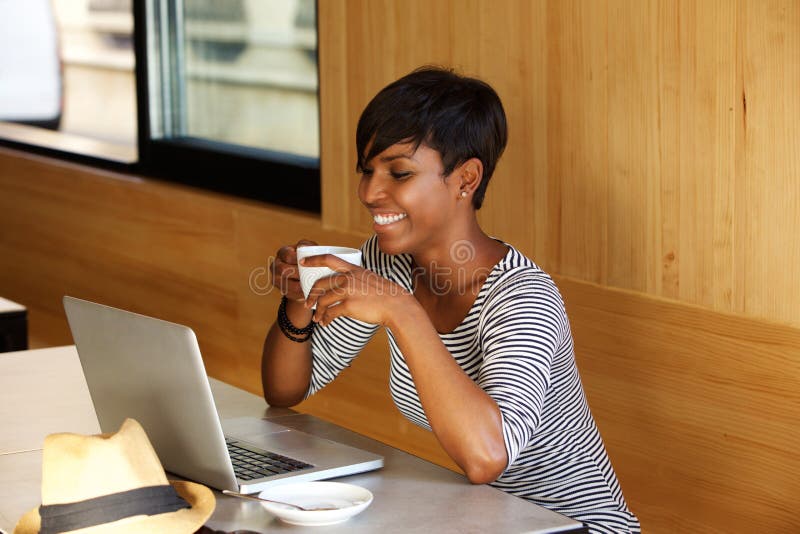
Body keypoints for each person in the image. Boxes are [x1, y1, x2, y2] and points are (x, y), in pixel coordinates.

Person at [261, 66, 641, 533]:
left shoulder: (523, 296)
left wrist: (402, 311)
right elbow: (285, 392)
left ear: (466, 179)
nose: (368, 192)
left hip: (574, 527)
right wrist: (301, 299)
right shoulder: (388, 262)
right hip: (486, 521)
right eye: (367, 169)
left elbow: (487, 457)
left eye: (398, 172)